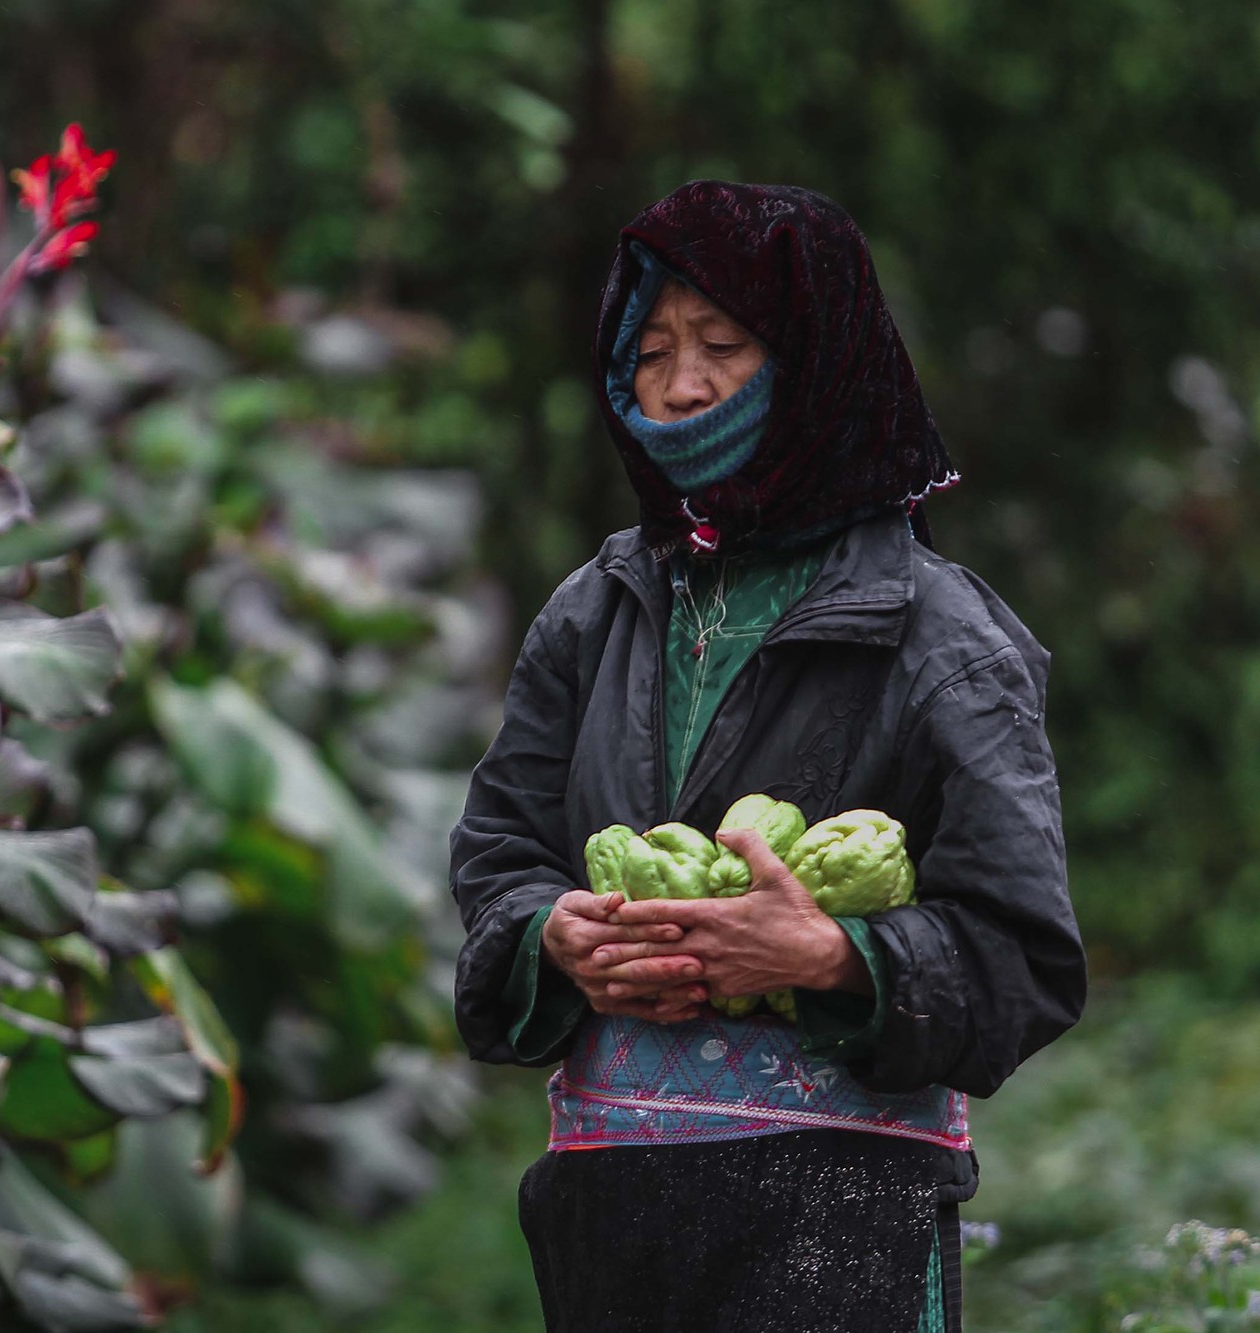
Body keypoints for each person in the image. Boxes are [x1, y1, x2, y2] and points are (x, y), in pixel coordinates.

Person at [447, 180, 1086, 1332]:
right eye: (648, 351)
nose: (679, 384)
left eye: (721, 346)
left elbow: (1023, 958)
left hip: (840, 1225)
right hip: (609, 1218)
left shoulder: (939, 637)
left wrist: (827, 954)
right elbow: (498, 855)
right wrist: (550, 934)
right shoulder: (592, 613)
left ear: (818, 362)